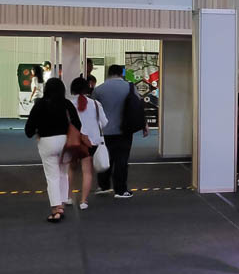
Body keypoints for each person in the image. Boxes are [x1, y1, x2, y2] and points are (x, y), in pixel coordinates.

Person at [25, 77, 81, 222]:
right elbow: (78, 124)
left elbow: (28, 130)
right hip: (65, 142)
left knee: (52, 176)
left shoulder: (40, 104)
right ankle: (62, 205)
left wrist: (37, 132)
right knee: (63, 174)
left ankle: (56, 209)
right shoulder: (67, 104)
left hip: (46, 143)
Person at [93, 65, 148, 199]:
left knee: (105, 158)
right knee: (121, 160)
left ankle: (103, 186)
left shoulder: (98, 89)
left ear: (109, 73)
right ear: (121, 73)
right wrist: (144, 124)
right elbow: (138, 106)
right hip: (124, 130)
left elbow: (94, 111)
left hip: (104, 131)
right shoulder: (129, 87)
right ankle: (120, 190)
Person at [68, 75, 108, 210]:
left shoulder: (69, 104)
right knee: (87, 172)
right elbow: (104, 122)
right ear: (86, 88)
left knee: (71, 169)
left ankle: (68, 197)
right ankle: (83, 201)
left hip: (74, 141)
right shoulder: (96, 104)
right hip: (91, 142)